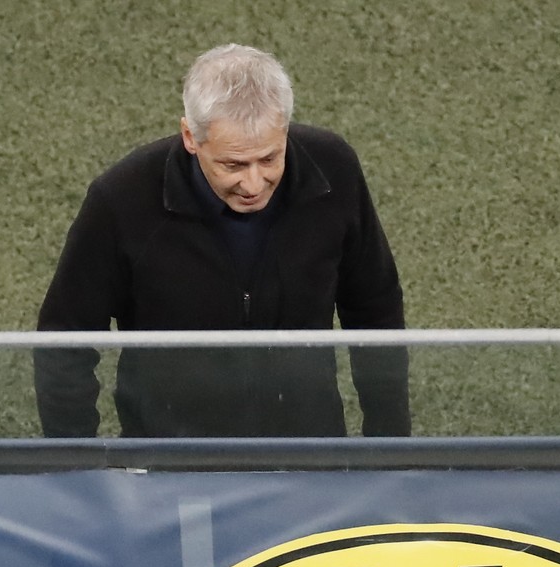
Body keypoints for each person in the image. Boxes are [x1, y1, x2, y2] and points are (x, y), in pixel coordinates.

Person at [34, 44, 409, 438]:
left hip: (307, 456)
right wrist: (76, 468)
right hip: (171, 463)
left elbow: (375, 308)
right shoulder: (122, 199)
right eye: (233, 165)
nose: (253, 184)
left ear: (284, 128)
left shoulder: (335, 170)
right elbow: (65, 342)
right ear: (190, 137)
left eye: (269, 159)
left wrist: (389, 446)